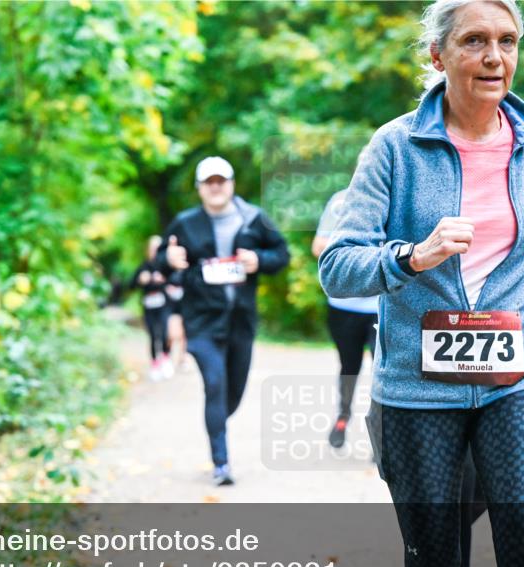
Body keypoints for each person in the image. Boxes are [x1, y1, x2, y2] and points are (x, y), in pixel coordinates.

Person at [319, 1, 524, 567]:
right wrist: (413, 255)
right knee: (432, 554)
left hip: (517, 375)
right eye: (474, 41)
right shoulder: (394, 147)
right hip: (418, 384)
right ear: (438, 57)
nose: (495, 57)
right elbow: (338, 264)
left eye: (507, 41)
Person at [157, 156, 290, 486]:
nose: (215, 187)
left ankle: (216, 421)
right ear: (200, 188)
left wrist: (259, 259)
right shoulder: (185, 223)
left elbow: (282, 254)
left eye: (221, 181)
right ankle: (222, 463)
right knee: (214, 384)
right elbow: (159, 262)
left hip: (241, 322)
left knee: (233, 393)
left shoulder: (254, 219)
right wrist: (168, 259)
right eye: (208, 182)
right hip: (201, 321)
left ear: (231, 184)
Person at [311, 189, 379, 448]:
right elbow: (318, 246)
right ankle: (343, 415)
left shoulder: (400, 195)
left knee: (380, 370)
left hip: (380, 306)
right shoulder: (341, 201)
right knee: (349, 367)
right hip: (343, 305)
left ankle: (379, 432)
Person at [130, 235, 173, 381]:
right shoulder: (143, 267)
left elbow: (178, 281)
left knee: (166, 333)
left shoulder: (167, 266)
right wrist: (140, 280)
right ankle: (155, 364)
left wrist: (165, 282)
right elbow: (131, 284)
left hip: (164, 304)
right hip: (149, 306)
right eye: (152, 248)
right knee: (153, 335)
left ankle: (166, 358)